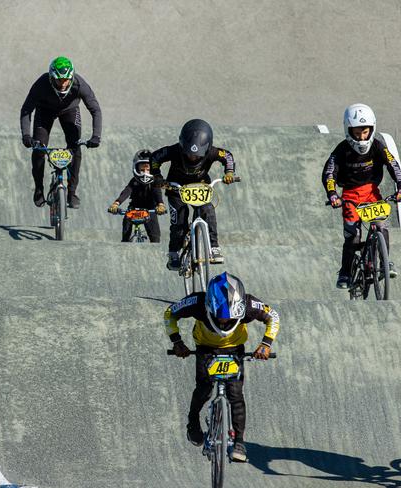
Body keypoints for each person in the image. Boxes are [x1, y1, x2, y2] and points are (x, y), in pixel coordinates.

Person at [165, 271, 279, 462]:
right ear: (209, 306)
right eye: (219, 317)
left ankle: (240, 442)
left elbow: (273, 316)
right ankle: (192, 422)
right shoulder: (197, 302)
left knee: (235, 395)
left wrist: (266, 344)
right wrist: (177, 342)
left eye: (230, 318)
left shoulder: (250, 305)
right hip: (206, 348)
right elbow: (170, 313)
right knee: (203, 389)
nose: (224, 322)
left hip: (235, 350)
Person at [322, 103, 401, 289]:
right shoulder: (341, 151)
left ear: (372, 129)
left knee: (381, 226)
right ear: (348, 130)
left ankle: (385, 261)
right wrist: (332, 195)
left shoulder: (377, 145)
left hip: (372, 194)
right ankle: (345, 273)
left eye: (365, 132)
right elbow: (329, 173)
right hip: (350, 197)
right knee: (352, 235)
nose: (362, 137)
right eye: (357, 133)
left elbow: (393, 165)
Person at [150, 119, 236, 270]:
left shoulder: (214, 152)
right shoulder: (174, 150)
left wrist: (229, 172)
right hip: (175, 188)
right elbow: (154, 158)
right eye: (189, 154)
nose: (193, 158)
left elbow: (227, 156)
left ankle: (214, 247)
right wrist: (157, 177)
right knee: (179, 223)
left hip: (201, 186)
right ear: (182, 146)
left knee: (208, 212)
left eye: (197, 156)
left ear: (207, 149)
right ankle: (173, 253)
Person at [20, 56, 102, 209]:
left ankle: (71, 193)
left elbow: (95, 110)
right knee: (38, 148)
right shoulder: (41, 84)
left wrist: (96, 136)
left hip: (70, 111)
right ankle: (39, 188)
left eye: (66, 80)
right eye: (59, 80)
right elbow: (26, 110)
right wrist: (26, 135)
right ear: (51, 78)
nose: (63, 84)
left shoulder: (79, 84)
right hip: (44, 111)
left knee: (75, 147)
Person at [108, 150, 166, 242]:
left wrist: (160, 204)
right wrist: (116, 203)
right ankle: (125, 244)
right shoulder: (134, 181)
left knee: (155, 237)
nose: (145, 173)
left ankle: (155, 250)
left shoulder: (155, 181)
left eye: (148, 169)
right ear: (136, 168)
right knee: (126, 228)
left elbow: (157, 193)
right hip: (134, 208)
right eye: (142, 170)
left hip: (150, 208)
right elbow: (127, 191)